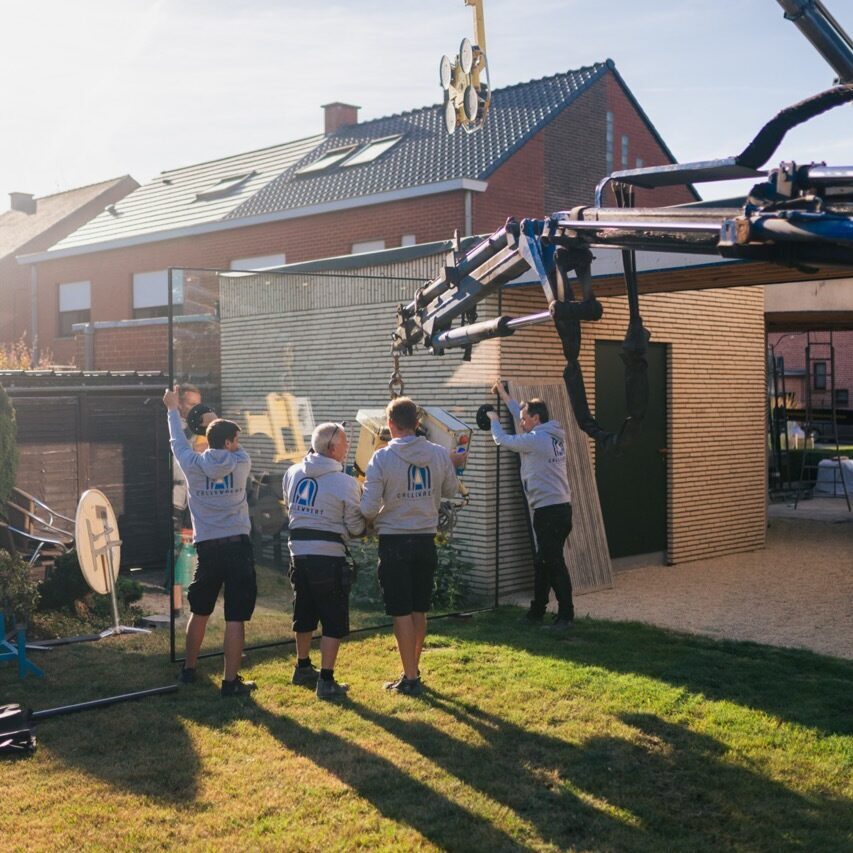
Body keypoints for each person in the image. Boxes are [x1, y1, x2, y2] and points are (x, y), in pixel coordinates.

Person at [360, 397, 459, 696]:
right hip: (425, 540)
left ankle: (410, 677)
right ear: (418, 423)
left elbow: (367, 509)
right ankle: (412, 670)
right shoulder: (440, 454)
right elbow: (451, 490)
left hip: (394, 542)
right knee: (419, 608)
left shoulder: (381, 459)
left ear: (390, 425)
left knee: (401, 611)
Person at [164, 384, 258, 696]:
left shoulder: (192, 465)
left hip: (207, 548)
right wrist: (211, 421)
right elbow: (225, 440)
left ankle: (189, 670)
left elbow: (177, 442)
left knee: (200, 611)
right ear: (230, 442)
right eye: (236, 439)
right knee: (235, 616)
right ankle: (230, 682)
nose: (238, 443)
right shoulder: (241, 462)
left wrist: (171, 409)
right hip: (237, 547)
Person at [283, 422, 364, 700]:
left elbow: (290, 506)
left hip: (297, 552)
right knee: (332, 617)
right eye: (344, 444)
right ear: (332, 448)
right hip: (328, 556)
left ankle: (302, 666)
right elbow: (354, 526)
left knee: (303, 610)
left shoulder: (292, 472)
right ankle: (326, 681)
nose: (347, 449)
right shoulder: (344, 482)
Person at [488, 380, 575, 629]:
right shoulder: (552, 433)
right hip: (560, 508)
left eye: (526, 419)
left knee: (553, 562)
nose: (521, 422)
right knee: (543, 561)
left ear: (536, 419)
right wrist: (504, 394)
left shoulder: (536, 440)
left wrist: (493, 418)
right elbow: (519, 413)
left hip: (549, 511)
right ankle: (537, 611)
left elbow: (503, 440)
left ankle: (566, 616)